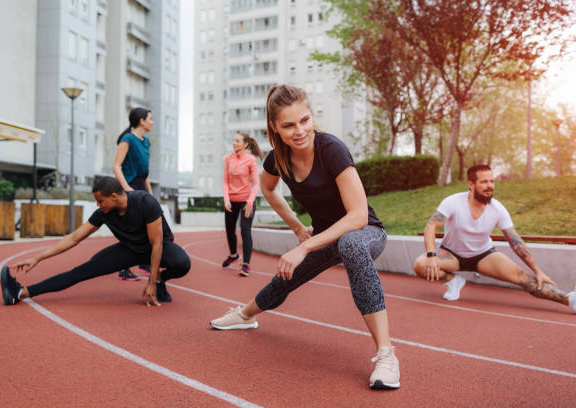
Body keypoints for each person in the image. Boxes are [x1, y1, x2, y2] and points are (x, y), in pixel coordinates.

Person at [210, 85, 400, 390]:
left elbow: (358, 216)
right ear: (274, 127)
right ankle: (246, 315)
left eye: (305, 120)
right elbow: (268, 189)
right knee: (286, 276)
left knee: (350, 244)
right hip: (325, 236)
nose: (300, 131)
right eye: (288, 125)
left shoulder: (331, 149)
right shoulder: (277, 159)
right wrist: (298, 227)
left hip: (365, 233)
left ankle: (386, 355)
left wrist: (304, 246)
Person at [0, 176, 190, 307]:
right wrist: (37, 258)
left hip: (159, 247)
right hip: (129, 250)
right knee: (80, 272)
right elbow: (74, 238)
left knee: (182, 263)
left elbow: (156, 244)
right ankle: (20, 293)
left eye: (100, 201)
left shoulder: (145, 202)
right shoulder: (103, 214)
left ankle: (161, 281)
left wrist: (153, 281)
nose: (98, 205)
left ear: (114, 197)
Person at [413, 164, 576, 311]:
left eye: (492, 181)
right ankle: (454, 280)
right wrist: (431, 255)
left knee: (524, 278)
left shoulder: (498, 209)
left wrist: (537, 270)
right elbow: (431, 226)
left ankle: (570, 299)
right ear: (471, 184)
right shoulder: (453, 201)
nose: (489, 186)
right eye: (484, 182)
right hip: (452, 255)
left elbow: (515, 242)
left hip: (484, 256)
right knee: (421, 264)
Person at [113, 107, 154, 281]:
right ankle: (124, 268)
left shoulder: (146, 142)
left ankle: (144, 262)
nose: (152, 122)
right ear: (141, 121)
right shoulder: (127, 139)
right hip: (129, 186)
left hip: (141, 185)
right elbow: (116, 165)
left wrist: (150, 193)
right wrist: (126, 188)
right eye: (150, 118)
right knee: (131, 227)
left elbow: (145, 172)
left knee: (148, 225)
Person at [221, 132, 262, 277]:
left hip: (246, 201)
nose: (234, 143)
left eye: (237, 141)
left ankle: (246, 265)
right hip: (231, 201)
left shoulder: (251, 160)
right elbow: (225, 181)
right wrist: (226, 199)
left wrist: (250, 202)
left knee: (245, 230)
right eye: (233, 140)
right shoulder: (228, 159)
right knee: (229, 230)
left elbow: (256, 184)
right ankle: (233, 255)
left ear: (245, 144)